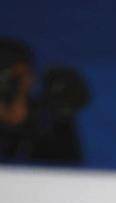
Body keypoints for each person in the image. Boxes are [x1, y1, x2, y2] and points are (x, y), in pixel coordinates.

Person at [0, 37, 89, 165]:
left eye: (20, 76)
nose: (12, 83)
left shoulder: (47, 122)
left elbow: (69, 174)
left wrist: (63, 116)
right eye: (5, 76)